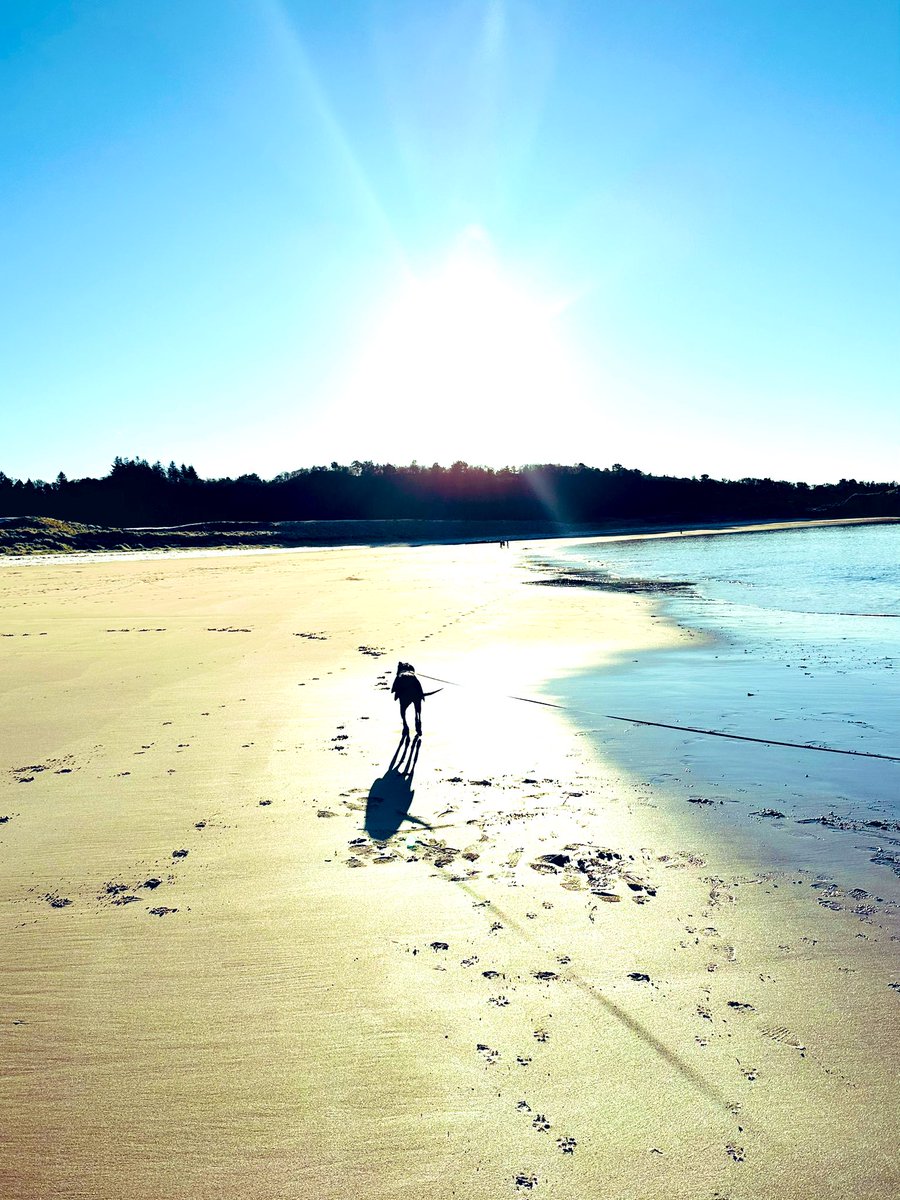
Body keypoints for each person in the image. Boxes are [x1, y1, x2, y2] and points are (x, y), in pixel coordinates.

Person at [390, 661, 425, 737]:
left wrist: (394, 691)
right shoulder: (413, 676)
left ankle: (405, 724)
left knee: (403, 709)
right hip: (416, 691)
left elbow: (394, 688)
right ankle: (418, 719)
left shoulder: (400, 676)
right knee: (418, 710)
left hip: (404, 693)